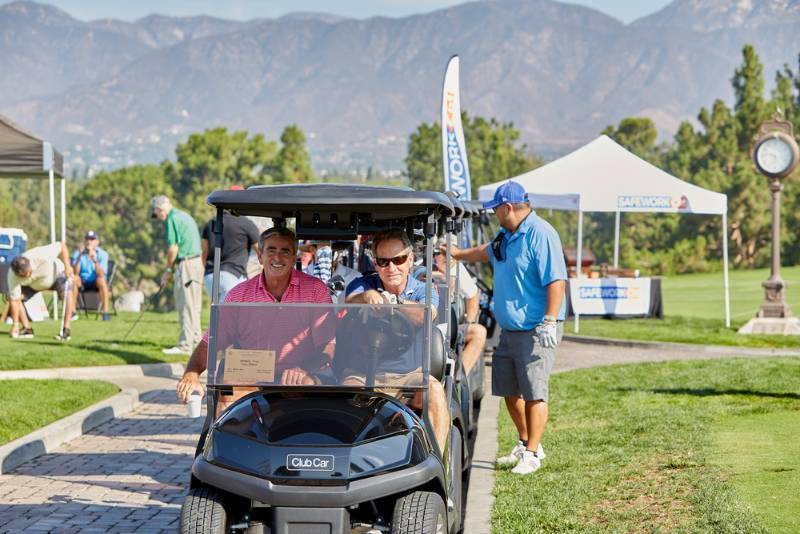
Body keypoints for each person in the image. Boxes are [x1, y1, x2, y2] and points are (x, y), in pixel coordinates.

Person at [444, 181, 566, 475]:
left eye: (496, 210)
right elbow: (486, 252)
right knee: (510, 391)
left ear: (508, 208)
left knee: (535, 391)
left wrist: (550, 320)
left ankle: (533, 453)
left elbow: (557, 281)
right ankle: (525, 442)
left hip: (537, 327)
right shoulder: (506, 234)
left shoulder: (541, 234)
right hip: (510, 328)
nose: (494, 214)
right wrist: (456, 255)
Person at [176, 228, 336, 408]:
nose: (277, 257)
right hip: (256, 365)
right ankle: (228, 435)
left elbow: (327, 346)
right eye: (271, 250)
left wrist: (303, 369)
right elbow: (210, 342)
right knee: (228, 395)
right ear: (260, 256)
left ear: (293, 258)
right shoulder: (238, 295)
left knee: (303, 387)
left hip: (302, 367)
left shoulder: (315, 290)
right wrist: (192, 373)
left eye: (285, 251)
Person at [344, 228, 450, 452]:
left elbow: (425, 313)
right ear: (375, 264)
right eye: (384, 261)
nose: (391, 268)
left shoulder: (423, 289)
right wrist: (367, 297)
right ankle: (348, 461)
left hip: (409, 374)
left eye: (398, 259)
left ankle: (438, 462)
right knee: (345, 392)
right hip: (364, 372)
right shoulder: (363, 285)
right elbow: (351, 300)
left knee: (435, 391)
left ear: (410, 260)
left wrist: (390, 303)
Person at [151, 195, 203, 356]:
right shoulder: (184, 215)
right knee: (194, 305)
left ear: (160, 210)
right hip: (196, 262)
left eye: (157, 214)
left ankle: (185, 345)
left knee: (185, 305)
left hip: (186, 264)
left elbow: (173, 249)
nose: (159, 218)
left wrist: (168, 270)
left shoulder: (172, 219)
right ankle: (195, 341)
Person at [433, 248, 487, 375]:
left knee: (478, 332)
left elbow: (473, 295)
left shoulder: (456, 269)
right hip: (422, 327)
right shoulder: (412, 265)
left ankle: (459, 378)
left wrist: (469, 321)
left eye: (452, 253)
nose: (450, 257)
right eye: (445, 253)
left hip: (448, 325)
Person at [6, 241, 75, 340]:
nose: (27, 275)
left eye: (28, 272)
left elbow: (62, 246)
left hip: (56, 275)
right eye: (24, 276)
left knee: (67, 293)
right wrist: (15, 324)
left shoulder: (41, 254)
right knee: (15, 297)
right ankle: (27, 329)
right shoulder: (12, 275)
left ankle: (66, 330)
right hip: (32, 285)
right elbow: (14, 301)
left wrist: (67, 266)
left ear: (29, 264)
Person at [200, 202, 260, 302]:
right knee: (231, 315)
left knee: (217, 314)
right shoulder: (245, 223)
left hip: (211, 276)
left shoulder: (211, 223)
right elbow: (260, 251)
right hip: (233, 275)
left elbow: (204, 254)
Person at [71, 230, 111, 321]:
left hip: (95, 282)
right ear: (84, 241)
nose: (89, 241)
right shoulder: (78, 252)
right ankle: (72, 312)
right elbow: (75, 272)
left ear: (97, 242)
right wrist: (79, 257)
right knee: (74, 279)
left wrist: (95, 260)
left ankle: (105, 312)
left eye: (92, 239)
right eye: (87, 239)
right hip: (82, 281)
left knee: (102, 281)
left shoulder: (103, 254)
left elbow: (101, 274)